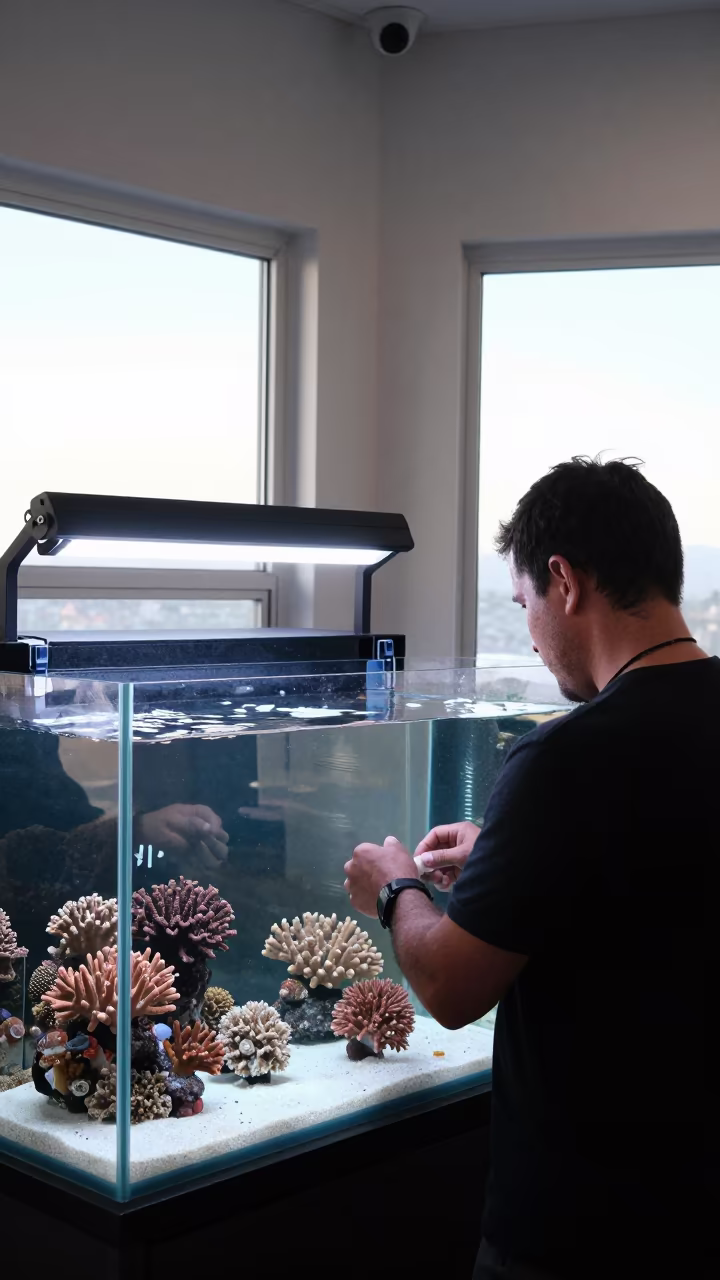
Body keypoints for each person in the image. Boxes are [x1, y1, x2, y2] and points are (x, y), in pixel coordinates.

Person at [344, 458, 713, 1279]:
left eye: (524, 607)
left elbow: (449, 987)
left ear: (564, 581)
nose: (531, 639)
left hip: (580, 1228)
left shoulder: (563, 759)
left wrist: (394, 886)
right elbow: (654, 878)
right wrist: (510, 855)